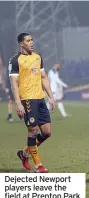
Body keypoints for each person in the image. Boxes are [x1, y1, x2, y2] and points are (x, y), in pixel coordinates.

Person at [9, 33, 55, 173]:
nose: (31, 43)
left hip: (40, 99)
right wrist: (18, 103)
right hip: (27, 99)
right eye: (28, 41)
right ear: (21, 44)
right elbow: (14, 84)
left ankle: (24, 153)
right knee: (33, 130)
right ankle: (38, 166)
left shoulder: (38, 57)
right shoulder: (15, 60)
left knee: (47, 132)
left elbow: (43, 77)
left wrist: (51, 97)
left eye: (32, 40)